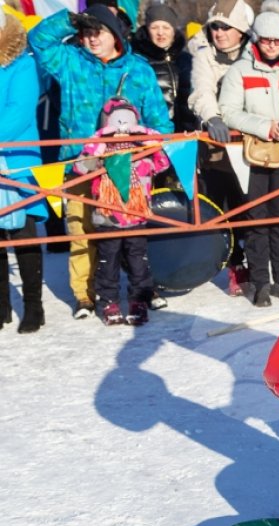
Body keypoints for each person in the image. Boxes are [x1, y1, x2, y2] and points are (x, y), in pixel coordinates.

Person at [28, 5, 172, 319]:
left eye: (99, 32)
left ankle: (142, 288)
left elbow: (161, 125)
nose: (91, 39)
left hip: (128, 170)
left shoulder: (139, 69)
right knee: (82, 230)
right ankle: (84, 294)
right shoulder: (71, 61)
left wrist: (138, 153)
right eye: (86, 32)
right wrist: (68, 20)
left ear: (116, 35)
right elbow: (38, 41)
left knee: (133, 235)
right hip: (78, 163)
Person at [218, 4, 279, 308]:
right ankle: (261, 282)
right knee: (257, 220)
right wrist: (265, 127)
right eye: (267, 40)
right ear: (256, 40)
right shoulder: (240, 71)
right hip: (253, 156)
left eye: (278, 41)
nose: (273, 46)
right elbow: (228, 111)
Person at [73, 96, 171, 325]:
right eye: (116, 120)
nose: (122, 127)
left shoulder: (142, 148)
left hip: (136, 217)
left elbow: (163, 162)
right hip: (108, 216)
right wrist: (97, 141)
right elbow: (80, 167)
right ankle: (109, 302)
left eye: (128, 120)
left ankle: (139, 301)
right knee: (108, 262)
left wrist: (146, 137)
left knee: (139, 261)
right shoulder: (101, 149)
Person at [187, 0, 255, 296]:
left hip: (253, 142)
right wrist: (212, 116)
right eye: (214, 26)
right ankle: (235, 264)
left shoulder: (255, 53)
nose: (219, 32)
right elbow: (201, 89)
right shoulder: (203, 55)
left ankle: (260, 264)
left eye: (225, 27)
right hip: (217, 145)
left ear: (241, 30)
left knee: (254, 207)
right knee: (224, 208)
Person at [0, 10, 46, 334]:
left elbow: (19, 112)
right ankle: (1, 306)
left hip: (18, 160)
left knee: (24, 233)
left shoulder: (23, 64)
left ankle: (34, 306)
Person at [131, 3, 197, 135]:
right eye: (154, 27)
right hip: (153, 135)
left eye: (166, 27)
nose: (160, 33)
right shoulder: (137, 61)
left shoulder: (187, 60)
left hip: (186, 134)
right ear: (147, 29)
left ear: (174, 30)